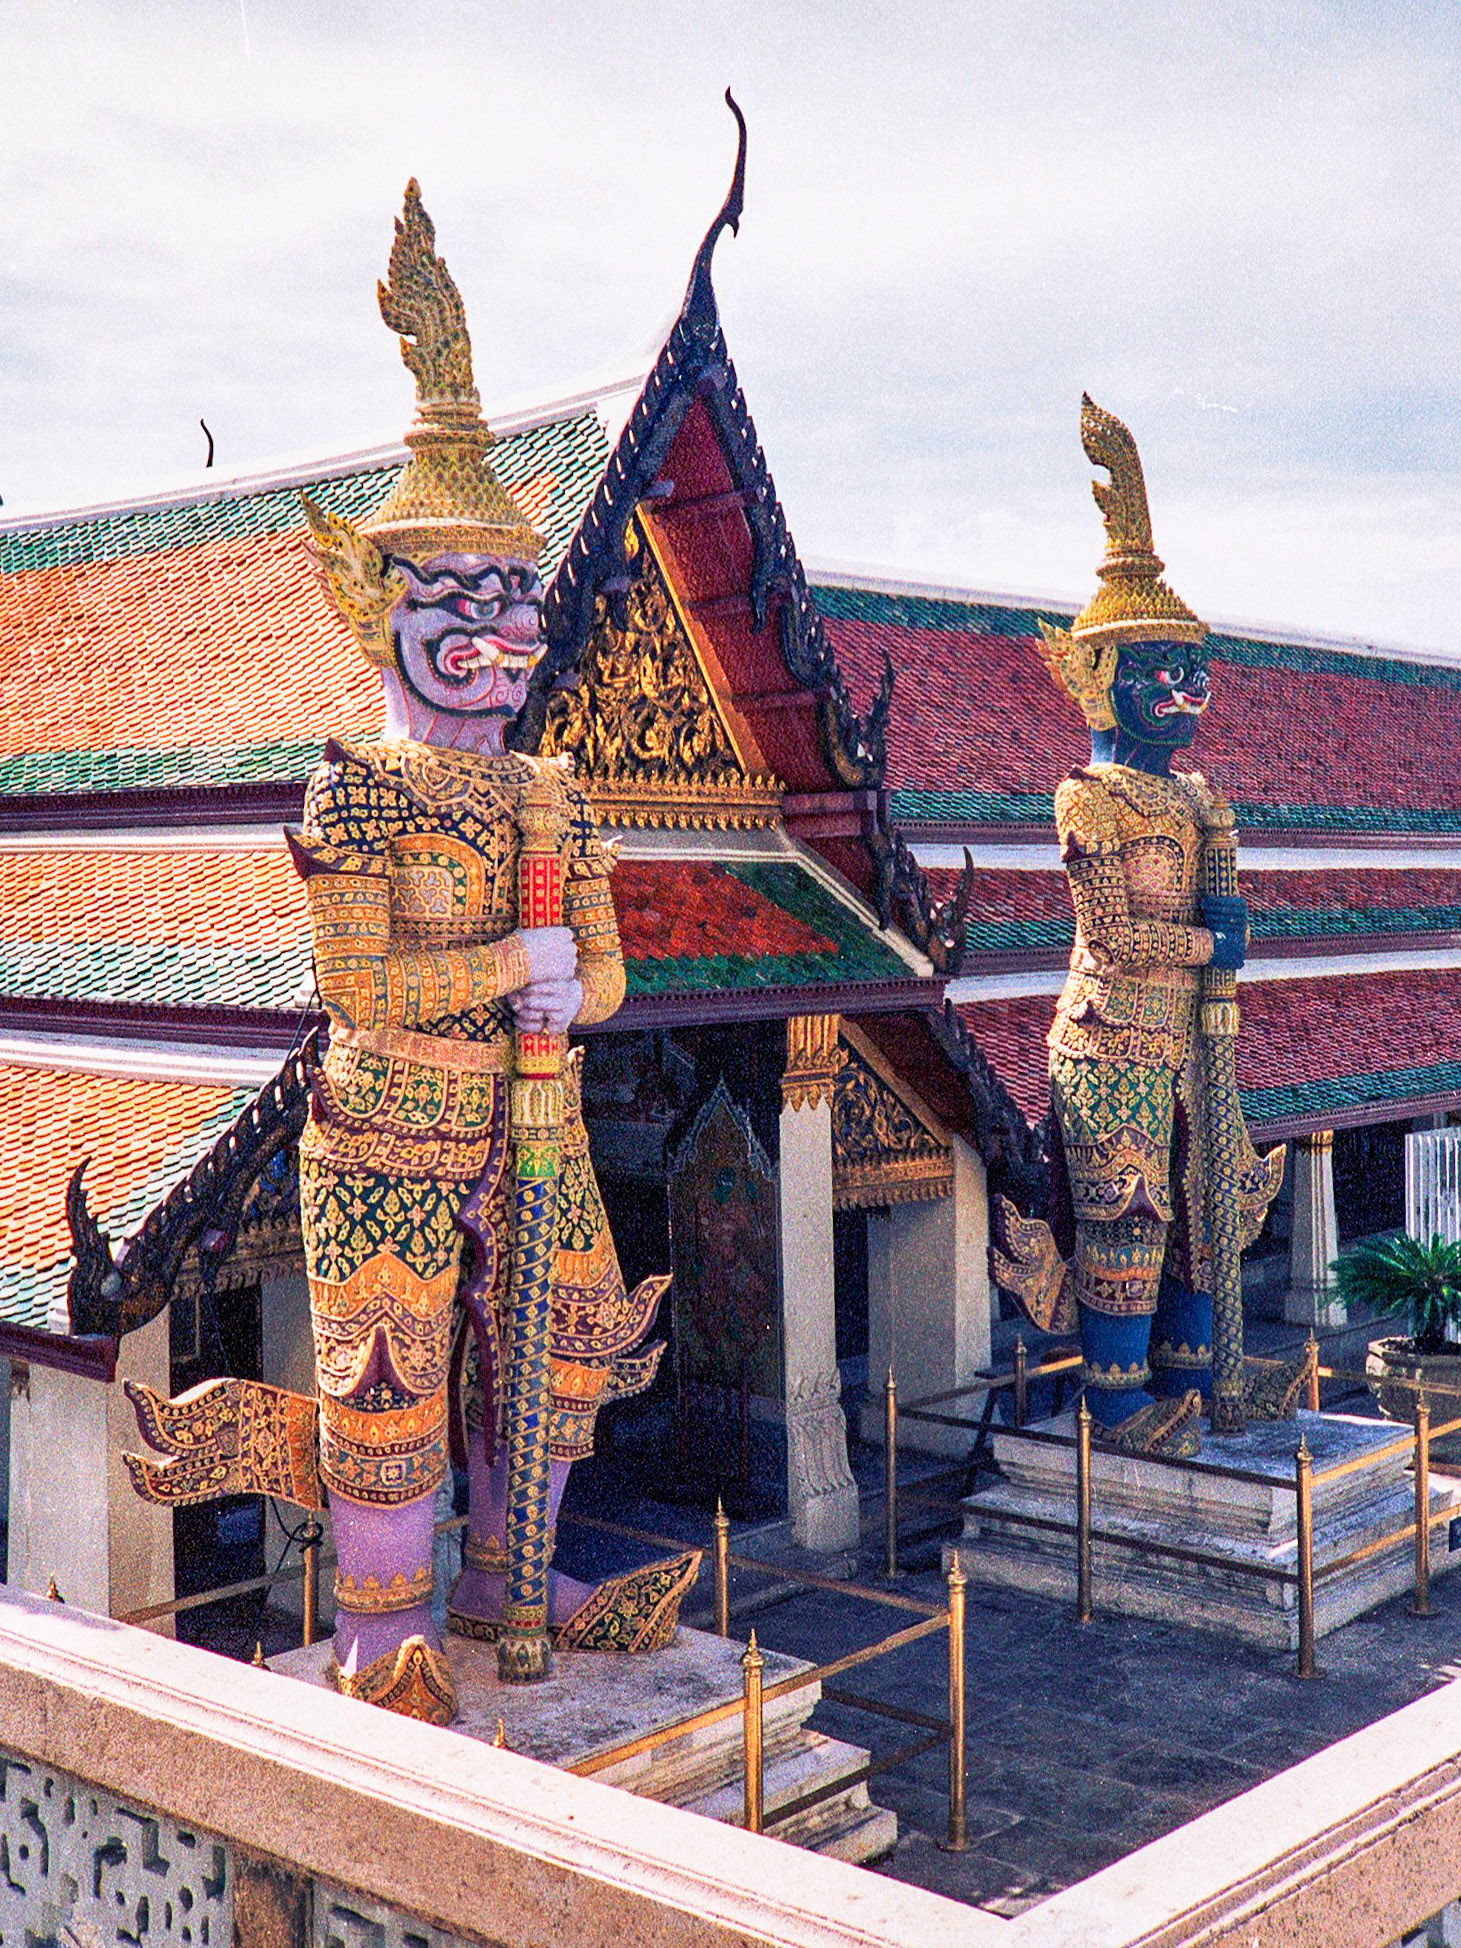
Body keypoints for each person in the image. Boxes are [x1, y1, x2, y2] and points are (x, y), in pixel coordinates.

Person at [286, 181, 696, 1722]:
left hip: (530, 1118)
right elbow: (359, 986)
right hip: (384, 1120)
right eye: (459, 602)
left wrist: (560, 978)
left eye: (517, 601)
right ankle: (379, 1618)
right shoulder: (356, 782)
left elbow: (604, 976)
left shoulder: (549, 788)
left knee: (555, 1350)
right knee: (390, 1378)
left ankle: (508, 1576)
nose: (500, 634)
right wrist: (507, 962)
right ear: (371, 601)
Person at [994, 396, 1292, 1457]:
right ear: (1103, 680)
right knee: (1130, 1211)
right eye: (1160, 669)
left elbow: (1232, 918)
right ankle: (1116, 1409)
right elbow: (1117, 936)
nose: (1185, 688)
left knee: (1208, 1214)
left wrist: (1221, 844)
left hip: (1197, 1037)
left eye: (1193, 668)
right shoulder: (1091, 797)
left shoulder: (1195, 798)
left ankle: (1194, 1382)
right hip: (1114, 1033)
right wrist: (1215, 947)